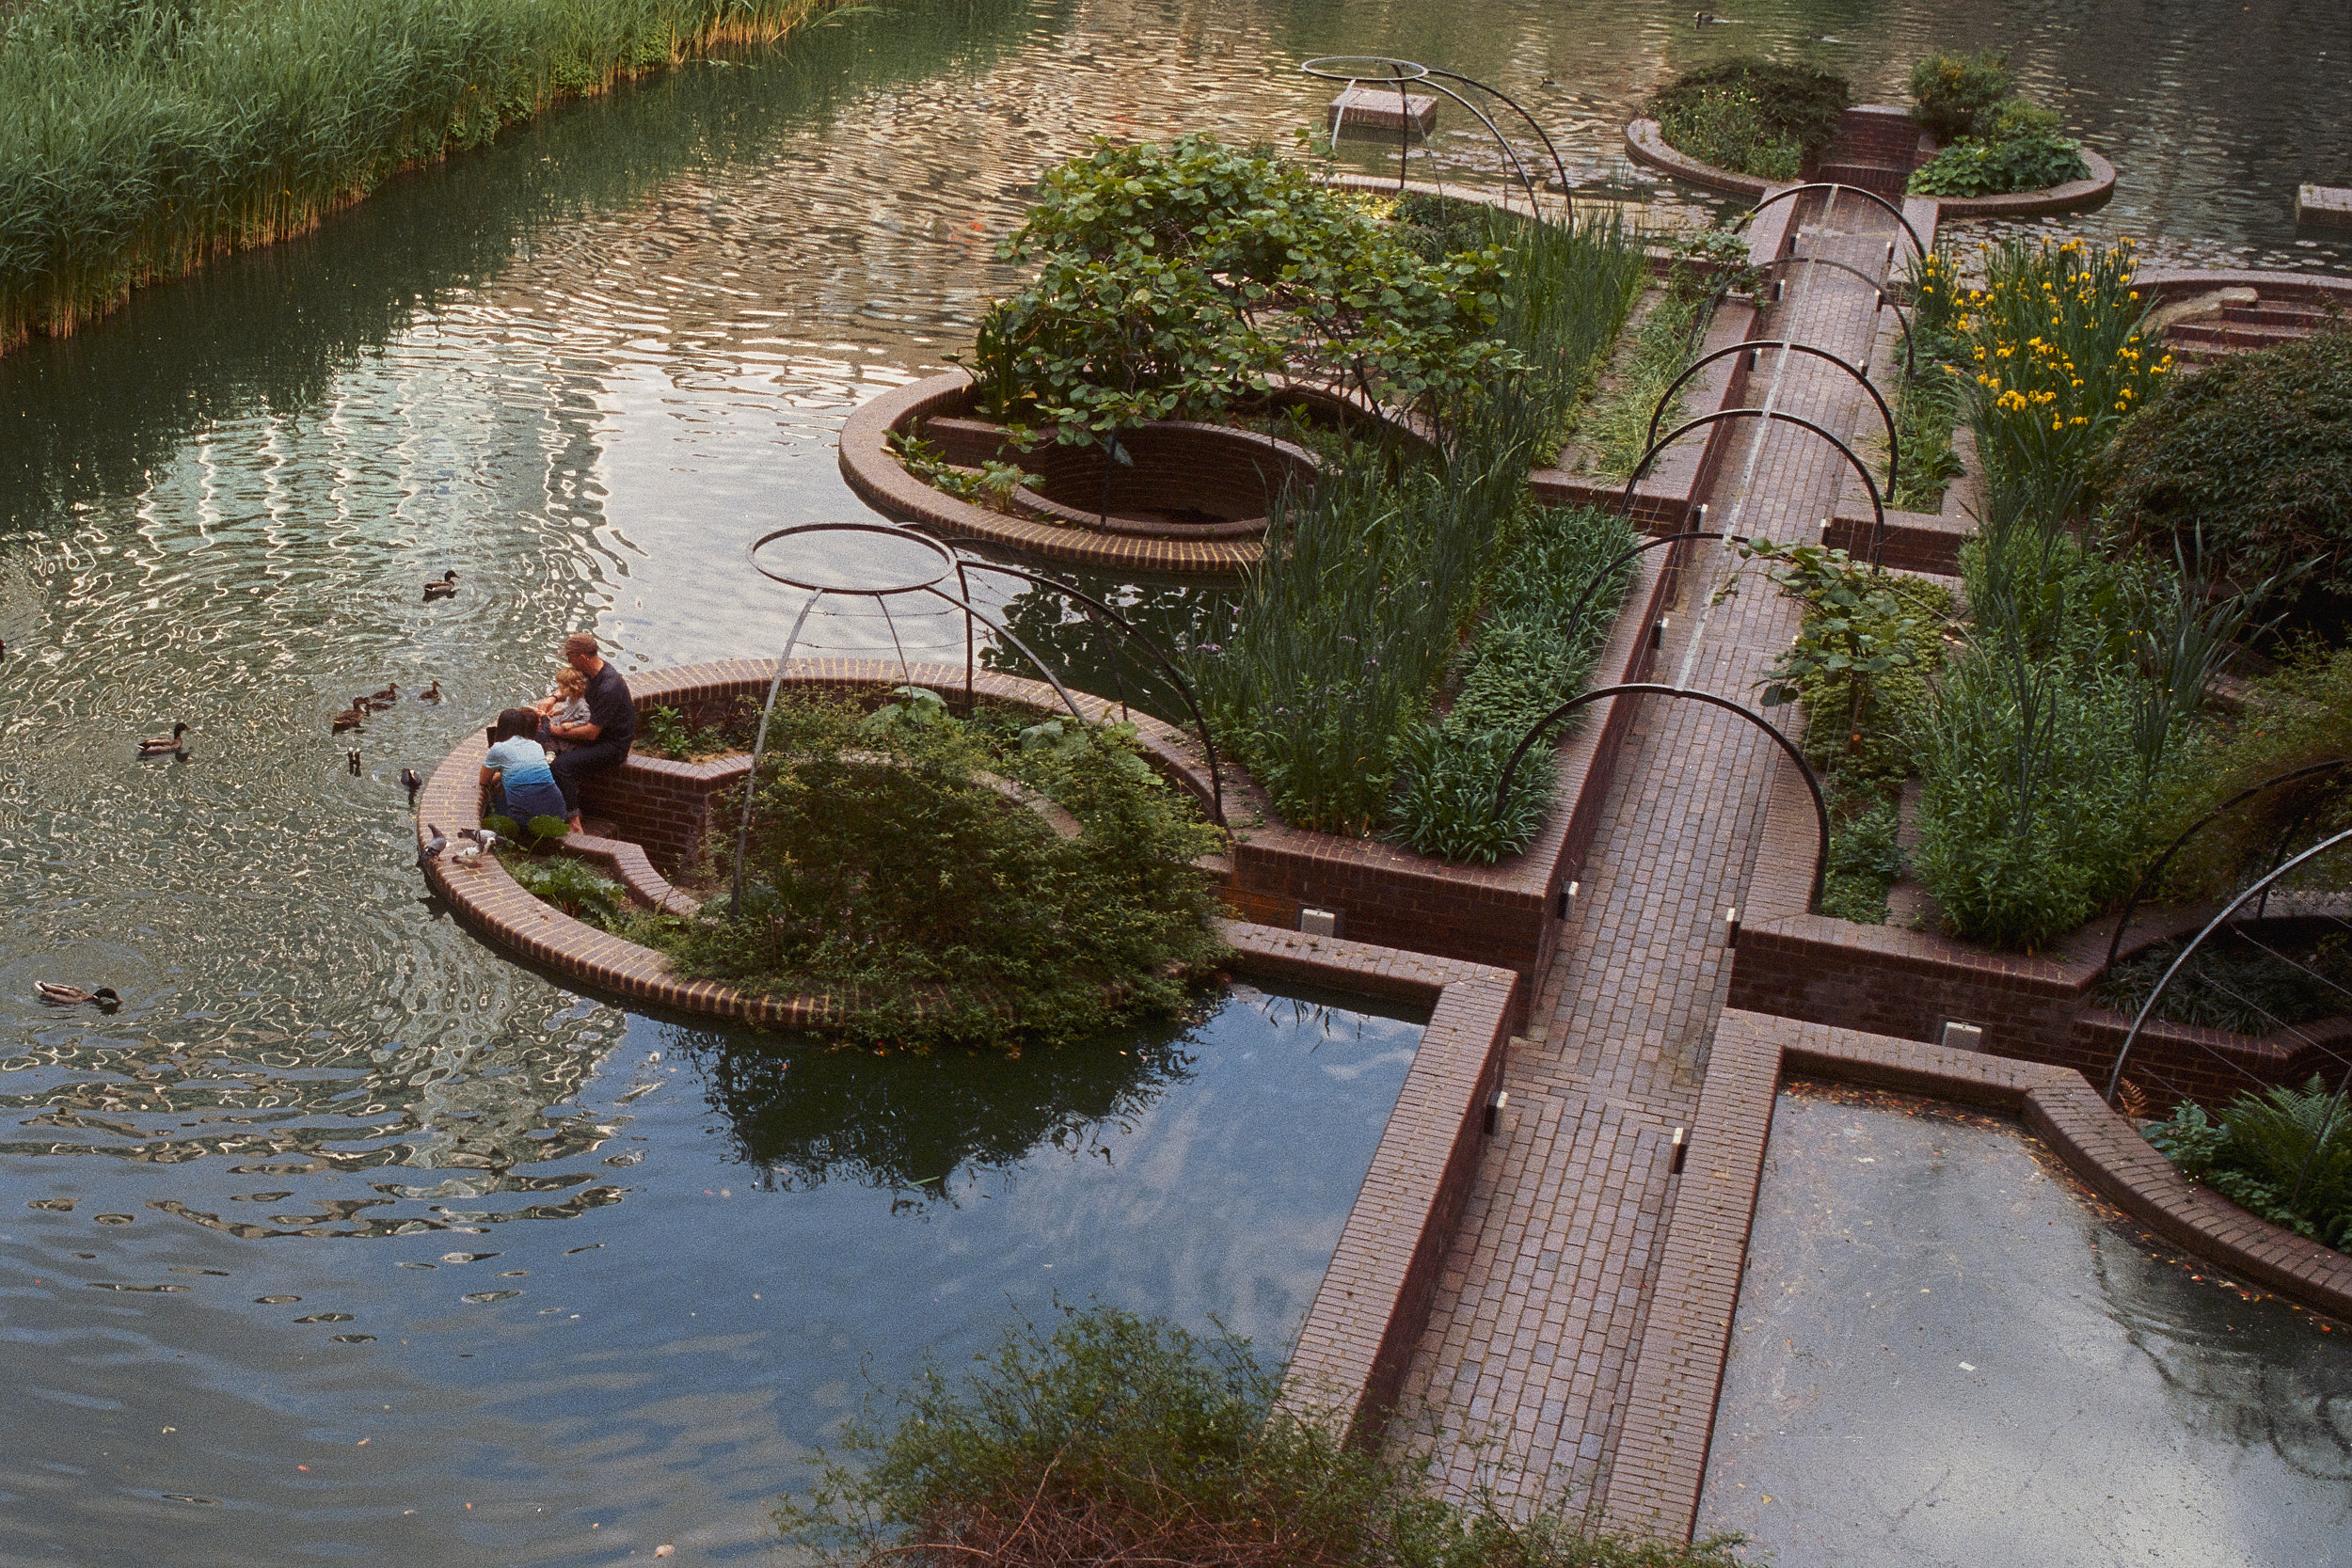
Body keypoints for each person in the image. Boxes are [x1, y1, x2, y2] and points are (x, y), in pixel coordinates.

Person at [548, 631, 634, 832]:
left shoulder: (608, 687)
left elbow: (590, 733)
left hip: (613, 745)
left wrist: (554, 730)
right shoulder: (591, 672)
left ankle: (574, 822)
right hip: (600, 736)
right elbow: (573, 687)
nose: (569, 662)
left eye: (570, 657)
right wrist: (553, 698)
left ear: (583, 657)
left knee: (561, 766)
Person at [480, 708, 569, 828]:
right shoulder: (535, 745)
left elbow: (484, 780)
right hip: (558, 812)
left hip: (529, 820)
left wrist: (504, 772)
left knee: (496, 804)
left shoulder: (498, 748)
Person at [533, 667, 592, 754]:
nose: (559, 690)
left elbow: (586, 719)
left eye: (561, 687)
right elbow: (567, 708)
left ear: (570, 689)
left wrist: (572, 724)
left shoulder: (582, 706)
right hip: (563, 722)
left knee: (551, 740)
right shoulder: (570, 698)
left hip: (571, 729)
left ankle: (552, 752)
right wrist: (558, 711)